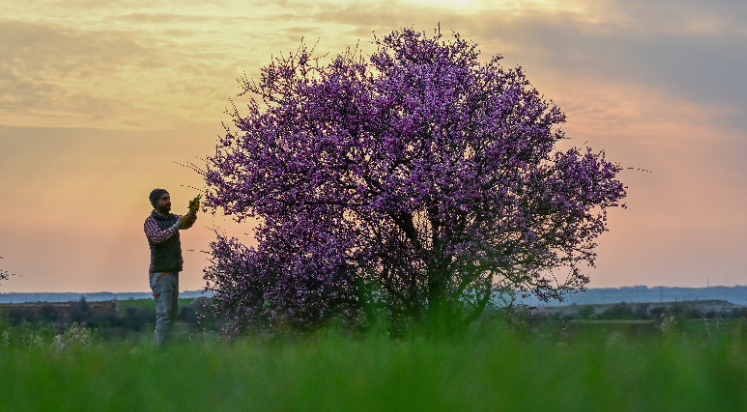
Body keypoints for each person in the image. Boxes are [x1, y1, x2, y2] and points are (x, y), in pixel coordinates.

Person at [144, 188, 199, 345]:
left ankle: (166, 348)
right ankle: (159, 350)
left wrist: (193, 211)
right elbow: (157, 238)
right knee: (164, 314)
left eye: (168, 198)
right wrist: (176, 227)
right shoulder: (151, 222)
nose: (168, 201)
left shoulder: (172, 218)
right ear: (156, 203)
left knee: (172, 315)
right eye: (164, 199)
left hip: (173, 273)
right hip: (161, 274)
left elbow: (186, 223)